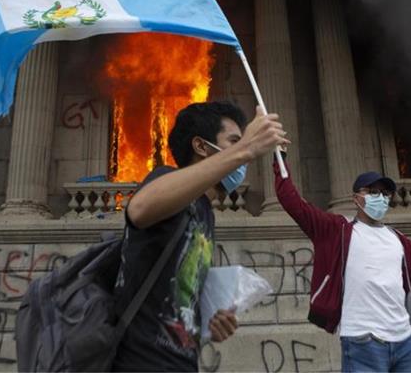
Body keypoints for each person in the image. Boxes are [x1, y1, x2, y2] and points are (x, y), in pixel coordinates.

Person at [111, 101, 289, 372]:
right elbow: (139, 209)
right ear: (201, 147)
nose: (246, 158)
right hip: (141, 363)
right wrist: (246, 148)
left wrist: (211, 322)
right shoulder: (166, 178)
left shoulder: (206, 213)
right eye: (233, 140)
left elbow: (178, 302)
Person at [273, 152, 411, 372]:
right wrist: (279, 157)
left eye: (385, 193)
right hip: (362, 342)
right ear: (356, 198)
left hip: (405, 343)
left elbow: (409, 290)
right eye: (373, 192)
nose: (380, 198)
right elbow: (292, 201)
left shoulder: (401, 241)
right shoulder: (338, 231)